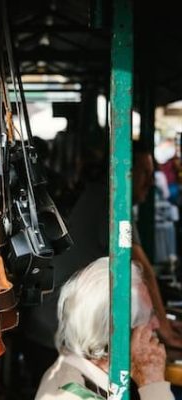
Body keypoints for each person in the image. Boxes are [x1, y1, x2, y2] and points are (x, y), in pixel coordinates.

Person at [21, 140, 182, 389]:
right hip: (58, 324)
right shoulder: (111, 200)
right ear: (125, 172)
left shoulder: (99, 196)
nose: (150, 182)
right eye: (144, 173)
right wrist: (167, 335)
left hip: (60, 323)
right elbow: (143, 272)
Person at [35, 257, 174, 400]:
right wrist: (152, 382)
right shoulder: (74, 394)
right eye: (150, 316)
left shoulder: (74, 373)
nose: (157, 324)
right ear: (121, 335)